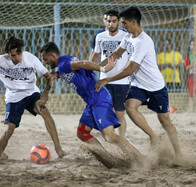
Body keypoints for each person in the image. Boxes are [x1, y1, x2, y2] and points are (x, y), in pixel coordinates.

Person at [95, 7, 182, 161]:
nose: (122, 26)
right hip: (139, 86)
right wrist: (95, 68)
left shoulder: (144, 41)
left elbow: (129, 69)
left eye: (124, 23)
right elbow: (115, 54)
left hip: (155, 86)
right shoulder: (128, 37)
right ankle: (154, 136)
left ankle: (179, 154)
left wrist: (107, 79)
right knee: (129, 107)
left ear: (134, 22)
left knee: (165, 121)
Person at [40, 42, 145, 167]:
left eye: (46, 59)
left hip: (99, 99)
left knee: (110, 136)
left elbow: (83, 63)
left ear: (52, 56)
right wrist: (54, 79)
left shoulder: (64, 64)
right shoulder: (64, 64)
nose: (45, 62)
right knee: (82, 133)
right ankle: (109, 159)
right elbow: (75, 69)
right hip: (92, 103)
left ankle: (141, 159)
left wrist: (104, 69)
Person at [0, 36, 66, 159]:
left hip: (31, 93)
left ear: (22, 51)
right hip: (14, 96)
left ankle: (59, 149)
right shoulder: (1, 61)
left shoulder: (31, 59)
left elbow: (49, 77)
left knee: (44, 111)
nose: (16, 58)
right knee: (8, 129)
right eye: (12, 56)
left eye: (18, 55)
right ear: (8, 54)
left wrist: (45, 94)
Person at [90, 9, 129, 137]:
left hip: (121, 81)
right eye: (108, 21)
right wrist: (90, 72)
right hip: (104, 79)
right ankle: (109, 137)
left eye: (113, 21)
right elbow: (95, 56)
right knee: (106, 112)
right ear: (104, 21)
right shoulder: (100, 36)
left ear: (118, 22)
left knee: (119, 113)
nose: (111, 24)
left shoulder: (125, 36)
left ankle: (122, 139)